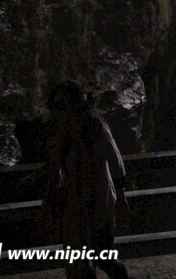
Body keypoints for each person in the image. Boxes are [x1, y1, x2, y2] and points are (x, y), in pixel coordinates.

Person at [42, 81, 129, 279]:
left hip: (98, 198)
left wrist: (122, 193)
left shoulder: (95, 127)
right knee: (78, 257)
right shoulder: (63, 130)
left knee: (102, 254)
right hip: (74, 200)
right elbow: (60, 161)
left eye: (63, 104)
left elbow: (115, 161)